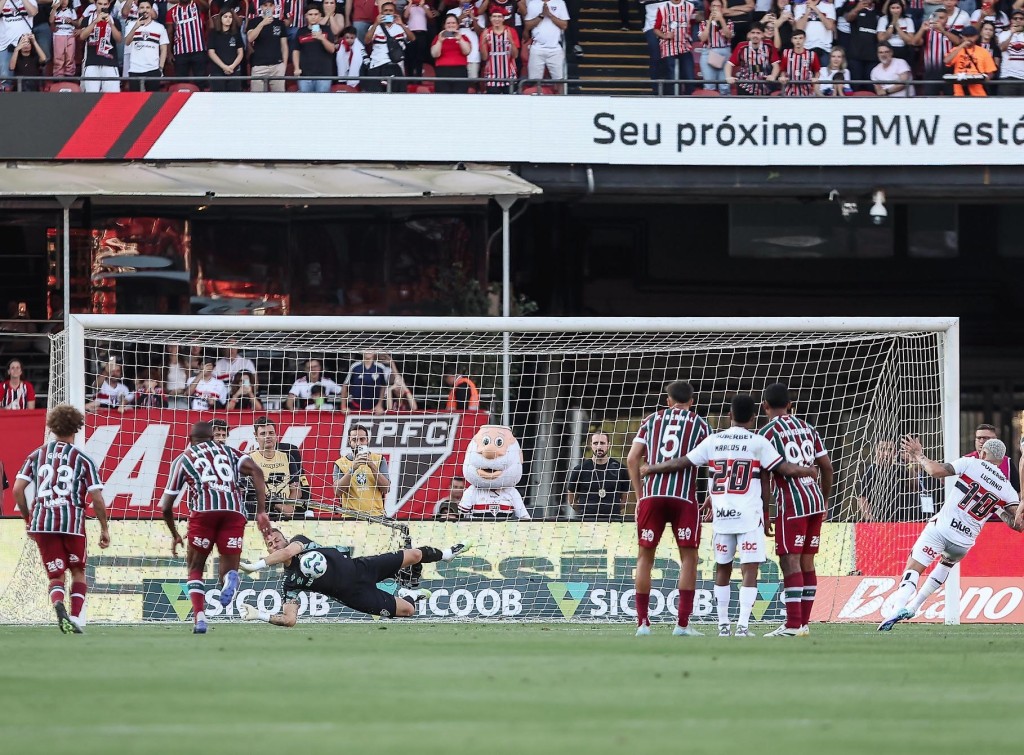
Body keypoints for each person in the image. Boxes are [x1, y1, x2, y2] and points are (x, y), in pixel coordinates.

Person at [642, 394, 817, 638]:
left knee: (722, 568)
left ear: (729, 416)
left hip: (722, 515)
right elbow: (781, 470)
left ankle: (723, 625)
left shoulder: (714, 441)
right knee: (749, 570)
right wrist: (807, 471)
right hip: (749, 516)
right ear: (753, 417)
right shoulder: (758, 442)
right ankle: (742, 627)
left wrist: (651, 468)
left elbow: (682, 462)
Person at [877, 436, 1022, 631]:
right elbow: (1017, 525)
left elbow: (935, 471)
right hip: (963, 543)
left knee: (914, 566)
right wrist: (997, 508)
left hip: (942, 529)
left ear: (983, 453)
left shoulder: (971, 463)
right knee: (945, 564)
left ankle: (897, 607)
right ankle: (914, 607)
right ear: (1002, 460)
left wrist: (919, 455)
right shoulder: (1007, 489)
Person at [159, 420, 270, 634]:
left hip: (204, 512)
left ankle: (200, 617)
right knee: (228, 570)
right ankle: (230, 578)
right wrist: (261, 511)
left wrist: (175, 534)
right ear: (212, 438)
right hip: (234, 512)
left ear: (190, 440)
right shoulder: (230, 452)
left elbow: (166, 507)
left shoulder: (185, 458)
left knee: (195, 567)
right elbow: (257, 471)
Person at [237, 528, 470, 624]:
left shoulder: (300, 543)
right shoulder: (290, 583)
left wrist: (254, 566)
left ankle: (446, 554)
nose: (274, 544)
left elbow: (288, 552)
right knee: (408, 610)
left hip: (362, 567)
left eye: (276, 539)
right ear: (268, 551)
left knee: (414, 554)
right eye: (270, 544)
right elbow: (290, 620)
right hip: (353, 595)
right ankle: (410, 595)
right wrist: (260, 615)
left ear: (286, 539)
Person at [13, 405, 110, 635]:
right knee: (78, 571)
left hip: (43, 522)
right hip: (72, 523)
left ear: (52, 428)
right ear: (76, 428)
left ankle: (58, 603)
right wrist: (104, 528)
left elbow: (17, 489)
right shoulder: (83, 459)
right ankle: (74, 618)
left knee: (56, 575)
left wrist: (28, 519)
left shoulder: (36, 455)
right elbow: (96, 498)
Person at [626, 380, 710, 637]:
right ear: (692, 402)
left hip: (652, 495)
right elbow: (714, 462)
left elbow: (632, 458)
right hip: (684, 497)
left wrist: (640, 496)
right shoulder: (700, 424)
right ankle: (682, 625)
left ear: (668, 401)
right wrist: (711, 495)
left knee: (645, 557)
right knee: (689, 558)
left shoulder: (651, 420)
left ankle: (643, 624)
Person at [758, 382, 833, 638]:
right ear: (790, 405)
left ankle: (792, 625)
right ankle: (802, 624)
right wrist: (824, 500)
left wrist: (765, 511)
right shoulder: (808, 428)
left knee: (789, 560)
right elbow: (827, 467)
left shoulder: (767, 433)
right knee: (807, 561)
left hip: (792, 504)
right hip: (814, 501)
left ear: (765, 406)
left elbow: (765, 477)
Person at [247, 416, 304, 519]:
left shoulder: (288, 458)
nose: (268, 436)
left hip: (285, 516)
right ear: (256, 436)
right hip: (259, 516)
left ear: (276, 435)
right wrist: (276, 505)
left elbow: (296, 490)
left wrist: (288, 508)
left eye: (271, 433)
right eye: (263, 434)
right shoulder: (249, 460)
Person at [566, 431, 630, 521]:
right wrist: (584, 512)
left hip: (613, 521)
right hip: (586, 522)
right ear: (591, 445)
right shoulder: (580, 470)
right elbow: (571, 500)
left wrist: (612, 510)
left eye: (602, 443)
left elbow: (624, 499)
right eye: (596, 443)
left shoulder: (621, 469)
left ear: (609, 445)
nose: (599, 447)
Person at [857, 439, 924, 521]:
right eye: (882, 449)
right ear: (876, 450)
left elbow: (915, 487)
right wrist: (869, 518)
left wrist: (910, 464)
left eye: (890, 450)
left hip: (901, 520)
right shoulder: (870, 470)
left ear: (895, 452)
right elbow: (862, 497)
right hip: (880, 520)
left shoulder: (899, 470)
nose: (886, 454)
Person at [333, 423, 390, 516]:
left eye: (362, 439)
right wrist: (352, 469)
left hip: (376, 516)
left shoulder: (379, 459)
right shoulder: (340, 463)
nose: (358, 443)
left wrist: (372, 466)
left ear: (367, 440)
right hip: (350, 517)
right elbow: (337, 492)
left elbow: (386, 489)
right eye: (354, 440)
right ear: (349, 442)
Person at [363, 1, 413, 92]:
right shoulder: (375, 27)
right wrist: (376, 23)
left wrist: (402, 24)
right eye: (385, 10)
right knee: (375, 95)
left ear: (395, 13)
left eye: (391, 10)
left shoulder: (400, 27)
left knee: (396, 95)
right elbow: (367, 41)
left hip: (396, 65)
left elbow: (412, 38)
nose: (388, 12)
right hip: (377, 64)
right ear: (381, 13)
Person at [78, 0, 123, 93]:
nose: (102, 6)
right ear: (95, 4)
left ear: (109, 4)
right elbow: (82, 37)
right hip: (91, 62)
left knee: (112, 96)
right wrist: (95, 22)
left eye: (105, 4)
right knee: (91, 95)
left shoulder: (115, 21)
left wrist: (111, 24)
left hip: (110, 63)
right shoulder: (87, 20)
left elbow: (119, 39)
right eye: (100, 4)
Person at [654, 0, 697, 95]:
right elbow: (656, 28)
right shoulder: (663, 8)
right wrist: (665, 35)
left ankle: (689, 98)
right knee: (671, 76)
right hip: (668, 46)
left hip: (685, 46)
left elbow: (695, 21)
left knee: (689, 75)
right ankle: (672, 98)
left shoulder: (690, 6)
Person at [292, 3, 337, 92]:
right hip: (305, 75)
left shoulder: (326, 30)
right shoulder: (301, 31)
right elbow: (296, 51)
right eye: (310, 14)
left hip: (324, 75)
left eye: (316, 14)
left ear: (320, 16)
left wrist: (322, 38)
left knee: (322, 100)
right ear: (306, 16)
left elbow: (332, 49)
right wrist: (296, 68)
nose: (313, 17)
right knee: (305, 100)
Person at [524, 0, 569, 90]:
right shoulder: (533, 3)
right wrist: (541, 15)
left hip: (555, 49)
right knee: (534, 81)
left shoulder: (560, 3)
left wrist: (550, 15)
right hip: (537, 48)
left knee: (559, 81)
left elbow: (564, 25)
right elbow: (528, 25)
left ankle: (561, 98)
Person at [124, 0, 168, 90]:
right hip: (135, 69)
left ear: (151, 9)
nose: (145, 10)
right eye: (142, 7)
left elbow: (164, 49)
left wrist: (160, 68)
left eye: (148, 7)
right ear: (138, 9)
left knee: (153, 98)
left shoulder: (159, 27)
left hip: (153, 69)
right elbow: (127, 42)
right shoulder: (131, 25)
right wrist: (135, 27)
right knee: (135, 98)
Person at [726, 23, 780, 94]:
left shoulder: (769, 45)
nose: (755, 35)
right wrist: (728, 77)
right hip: (745, 86)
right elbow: (729, 64)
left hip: (764, 87)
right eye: (753, 33)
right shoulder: (741, 46)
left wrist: (773, 76)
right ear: (748, 35)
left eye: (758, 33)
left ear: (763, 35)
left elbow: (776, 65)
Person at [913, 8, 956, 95]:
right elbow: (914, 42)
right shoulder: (927, 32)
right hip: (931, 71)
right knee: (930, 99)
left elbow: (958, 41)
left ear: (947, 19)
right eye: (936, 17)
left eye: (941, 18)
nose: (938, 20)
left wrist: (943, 30)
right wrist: (922, 29)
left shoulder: (952, 31)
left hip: (949, 72)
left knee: (950, 98)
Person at [248, 0, 289, 91]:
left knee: (279, 97)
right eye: (265, 5)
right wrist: (262, 23)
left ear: (274, 7)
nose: (268, 8)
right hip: (259, 66)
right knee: (257, 97)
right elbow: (250, 38)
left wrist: (284, 65)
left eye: (270, 5)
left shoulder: (279, 23)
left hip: (277, 66)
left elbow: (284, 46)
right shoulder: (254, 22)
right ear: (261, 7)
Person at [964, 423, 1019, 489]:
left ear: (995, 440)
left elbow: (1017, 490)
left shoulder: (1007, 463)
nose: (981, 441)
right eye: (979, 438)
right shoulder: (966, 460)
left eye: (986, 438)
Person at [944, 25, 996, 95]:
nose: (968, 38)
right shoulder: (956, 50)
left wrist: (985, 79)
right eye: (966, 36)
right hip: (959, 91)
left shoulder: (983, 51)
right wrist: (961, 45)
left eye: (971, 36)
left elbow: (990, 71)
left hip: (978, 91)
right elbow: (946, 61)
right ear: (962, 37)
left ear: (976, 37)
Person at [166, 0, 209, 86]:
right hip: (180, 52)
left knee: (201, 81)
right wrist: (169, 53)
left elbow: (207, 7)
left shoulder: (198, 6)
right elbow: (169, 33)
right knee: (181, 82)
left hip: (199, 50)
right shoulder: (172, 12)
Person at [698, 0, 735, 94]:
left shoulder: (728, 22)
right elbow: (703, 38)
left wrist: (721, 20)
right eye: (714, 6)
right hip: (708, 53)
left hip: (725, 53)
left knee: (725, 86)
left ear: (722, 8)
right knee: (709, 86)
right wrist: (710, 21)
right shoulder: (703, 23)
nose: (716, 8)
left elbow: (729, 36)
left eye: (718, 6)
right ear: (710, 8)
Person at [0, 0, 37, 89]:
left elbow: (33, 12)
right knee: (5, 77)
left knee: (26, 74)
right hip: (5, 44)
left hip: (25, 44)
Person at [431, 12, 471, 92]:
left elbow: (467, 51)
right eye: (448, 23)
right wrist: (440, 41)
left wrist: (460, 39)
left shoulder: (463, 37)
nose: (451, 25)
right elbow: (435, 54)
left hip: (460, 71)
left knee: (460, 96)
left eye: (453, 23)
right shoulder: (438, 38)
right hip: (442, 71)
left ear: (457, 25)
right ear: (444, 25)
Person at [207, 8, 245, 91]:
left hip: (234, 71)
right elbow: (211, 52)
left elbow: (240, 52)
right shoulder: (214, 33)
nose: (228, 19)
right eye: (225, 16)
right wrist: (224, 67)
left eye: (230, 17)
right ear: (220, 18)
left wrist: (232, 66)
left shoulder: (236, 33)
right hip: (217, 71)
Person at [779, 27, 820, 94]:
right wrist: (783, 77)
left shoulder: (812, 55)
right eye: (795, 38)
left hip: (807, 91)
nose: (798, 41)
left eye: (800, 38)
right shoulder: (786, 53)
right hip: (789, 90)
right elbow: (783, 70)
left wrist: (815, 78)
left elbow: (817, 71)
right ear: (791, 40)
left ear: (805, 39)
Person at [51, 0, 81, 78]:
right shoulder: (55, 11)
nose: (64, 1)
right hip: (59, 34)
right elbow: (51, 21)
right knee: (59, 55)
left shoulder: (71, 11)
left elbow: (77, 23)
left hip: (70, 34)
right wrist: (54, 9)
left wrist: (71, 21)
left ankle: (69, 73)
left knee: (70, 55)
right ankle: (58, 74)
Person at [997, 10, 1024, 96]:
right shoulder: (1004, 34)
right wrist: (1011, 34)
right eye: (1015, 18)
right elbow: (1002, 48)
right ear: (1011, 21)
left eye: (1021, 19)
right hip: (1007, 76)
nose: (1018, 20)